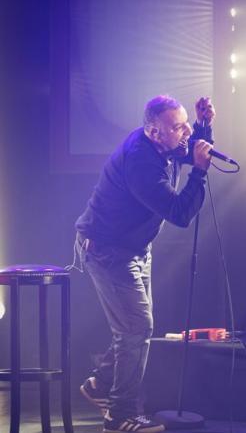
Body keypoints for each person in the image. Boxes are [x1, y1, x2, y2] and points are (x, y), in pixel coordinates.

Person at [74, 95, 216, 433]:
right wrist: (198, 172)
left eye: (185, 124)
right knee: (137, 328)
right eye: (178, 127)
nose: (185, 133)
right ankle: (119, 416)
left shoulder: (164, 144)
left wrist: (204, 126)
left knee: (133, 330)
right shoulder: (140, 161)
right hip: (109, 252)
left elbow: (189, 146)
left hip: (134, 248)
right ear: (154, 132)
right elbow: (180, 213)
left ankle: (99, 383)